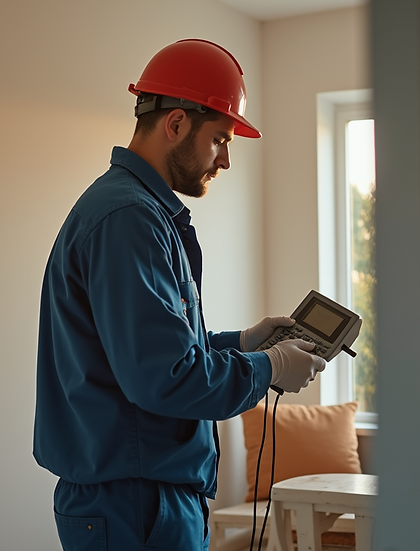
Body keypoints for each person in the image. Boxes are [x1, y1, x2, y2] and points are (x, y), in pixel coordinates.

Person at [33, 39, 326, 551]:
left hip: (141, 495)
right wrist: (271, 367)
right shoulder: (129, 220)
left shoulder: (136, 212)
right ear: (175, 125)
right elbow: (165, 379)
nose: (227, 160)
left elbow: (157, 354)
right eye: (220, 139)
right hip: (133, 502)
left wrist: (243, 342)